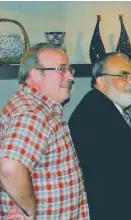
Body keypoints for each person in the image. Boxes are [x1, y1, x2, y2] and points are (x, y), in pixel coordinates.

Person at [0, 43, 89, 219]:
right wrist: (29, 209)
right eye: (61, 69)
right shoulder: (33, 113)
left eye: (69, 69)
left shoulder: (40, 107)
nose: (70, 76)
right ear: (35, 75)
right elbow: (9, 168)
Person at [68, 53, 131, 219]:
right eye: (124, 75)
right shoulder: (94, 113)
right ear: (101, 82)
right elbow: (112, 179)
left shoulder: (102, 106)